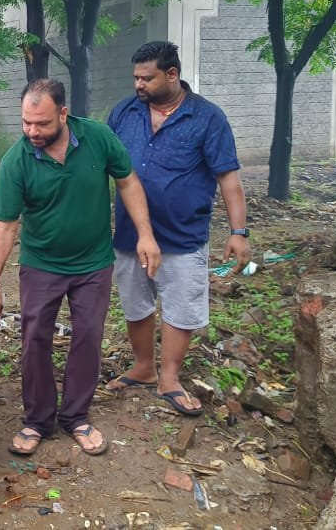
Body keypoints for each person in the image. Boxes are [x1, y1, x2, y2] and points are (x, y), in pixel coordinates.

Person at [0, 79, 161, 457]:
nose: (32, 131)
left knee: (88, 336)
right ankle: (37, 420)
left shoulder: (98, 138)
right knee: (34, 339)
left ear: (63, 113)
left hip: (93, 262)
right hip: (42, 264)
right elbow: (6, 226)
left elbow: (127, 181)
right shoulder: (16, 161)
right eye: (26, 123)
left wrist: (145, 234)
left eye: (42, 124)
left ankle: (76, 416)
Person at [104, 41, 252, 417]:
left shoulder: (207, 118)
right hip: (130, 235)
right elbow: (99, 165)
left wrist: (239, 232)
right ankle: (143, 366)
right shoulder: (124, 113)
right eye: (135, 77)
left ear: (172, 74)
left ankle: (169, 376)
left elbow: (229, 179)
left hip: (183, 234)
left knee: (180, 305)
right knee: (136, 302)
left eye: (147, 78)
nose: (138, 85)